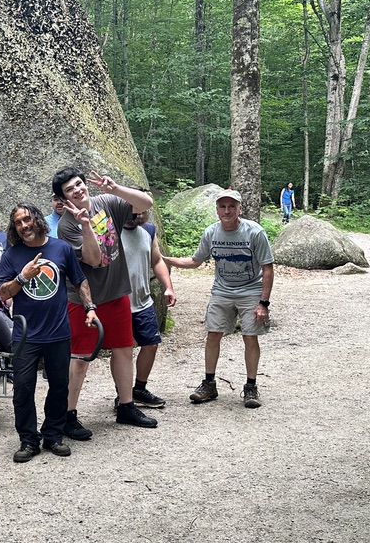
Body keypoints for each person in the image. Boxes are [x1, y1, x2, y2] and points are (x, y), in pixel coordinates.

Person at [55, 166, 158, 432]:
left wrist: (116, 189)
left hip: (116, 292)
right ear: (64, 198)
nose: (77, 190)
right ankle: (68, 415)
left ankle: (126, 406)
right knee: (80, 358)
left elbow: (145, 204)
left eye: (79, 184)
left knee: (124, 349)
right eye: (69, 190)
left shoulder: (107, 202)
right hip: (83, 300)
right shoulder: (67, 226)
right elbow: (94, 259)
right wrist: (85, 224)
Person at [0, 202, 100, 463]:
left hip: (58, 332)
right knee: (22, 388)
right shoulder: (12, 255)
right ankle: (28, 440)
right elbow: (3, 293)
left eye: (27, 219)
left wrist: (90, 308)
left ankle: (53, 435)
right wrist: (23, 277)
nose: (24, 226)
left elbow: (79, 280)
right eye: (18, 223)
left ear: (37, 219)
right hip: (25, 335)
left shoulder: (60, 248)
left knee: (59, 386)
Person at [163, 189, 275, 408]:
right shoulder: (211, 232)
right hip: (222, 291)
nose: (227, 211)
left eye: (232, 206)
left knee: (250, 336)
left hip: (250, 291)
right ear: (217, 210)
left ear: (240, 209)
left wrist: (263, 303)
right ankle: (209, 384)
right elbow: (195, 261)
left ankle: (251, 387)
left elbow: (267, 269)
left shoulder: (255, 232)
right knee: (213, 334)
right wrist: (164, 259)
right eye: (222, 207)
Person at [118, 210, 176, 408]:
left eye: (143, 211)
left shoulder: (149, 230)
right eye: (135, 211)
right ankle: (122, 394)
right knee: (122, 351)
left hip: (143, 300)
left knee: (151, 344)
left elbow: (156, 260)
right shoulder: (111, 230)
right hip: (119, 302)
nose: (139, 215)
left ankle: (139, 390)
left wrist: (168, 287)